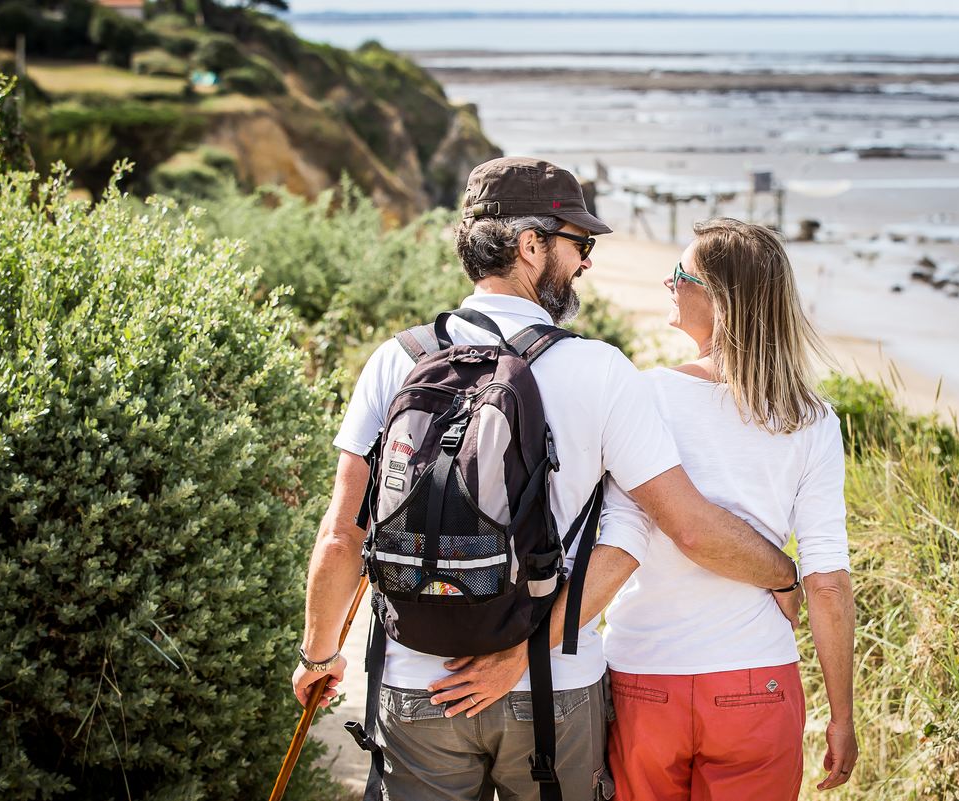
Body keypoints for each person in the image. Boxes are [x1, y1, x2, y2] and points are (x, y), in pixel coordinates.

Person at [290, 158, 798, 801]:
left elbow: (343, 532)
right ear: (530, 245)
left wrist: (318, 654)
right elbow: (645, 533)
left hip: (416, 681)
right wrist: (785, 574)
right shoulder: (600, 370)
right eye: (578, 244)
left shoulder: (398, 358)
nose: (585, 262)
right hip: (554, 687)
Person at [543, 218, 859, 799]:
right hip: (755, 681)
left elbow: (622, 541)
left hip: (645, 678)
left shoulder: (645, 397)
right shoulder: (812, 420)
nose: (668, 281)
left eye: (681, 274)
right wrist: (842, 714)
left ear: (719, 300)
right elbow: (830, 583)